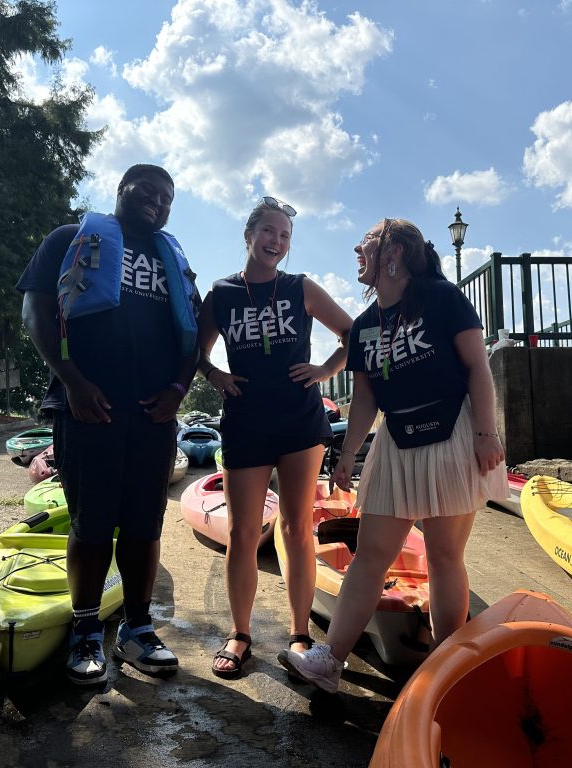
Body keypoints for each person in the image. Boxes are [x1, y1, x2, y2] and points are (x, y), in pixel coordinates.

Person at [279, 218, 508, 693]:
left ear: (395, 252)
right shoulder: (364, 327)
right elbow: (365, 400)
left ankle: (448, 671)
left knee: (445, 557)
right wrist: (346, 455)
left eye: (366, 241)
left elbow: (477, 370)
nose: (356, 249)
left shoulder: (443, 300)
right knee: (370, 556)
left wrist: (487, 433)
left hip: (451, 433)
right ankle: (330, 661)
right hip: (396, 440)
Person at [17, 164, 200, 685]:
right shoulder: (69, 240)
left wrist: (179, 391)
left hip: (154, 415)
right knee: (91, 523)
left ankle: (138, 629)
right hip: (88, 407)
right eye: (149, 190)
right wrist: (72, 381)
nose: (158, 202)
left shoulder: (175, 260)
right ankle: (85, 630)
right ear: (122, 189)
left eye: (168, 197)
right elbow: (36, 313)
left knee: (145, 524)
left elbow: (193, 333)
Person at [197, 196, 353, 679]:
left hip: (300, 424)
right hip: (245, 421)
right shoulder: (221, 294)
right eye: (269, 231)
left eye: (285, 235)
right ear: (249, 236)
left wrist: (326, 369)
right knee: (243, 533)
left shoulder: (300, 287)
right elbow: (196, 354)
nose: (277, 242)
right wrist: (216, 375)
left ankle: (300, 633)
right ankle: (240, 634)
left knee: (295, 528)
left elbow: (353, 334)